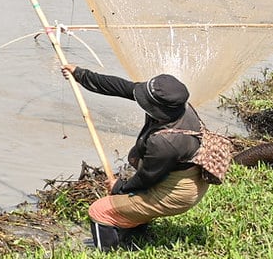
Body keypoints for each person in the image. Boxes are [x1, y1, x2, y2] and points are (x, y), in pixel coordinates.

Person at [61, 68, 216, 243]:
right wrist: (80, 75)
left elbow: (146, 179)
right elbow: (122, 87)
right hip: (180, 174)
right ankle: (134, 224)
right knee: (135, 159)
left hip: (179, 193)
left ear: (157, 108)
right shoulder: (180, 108)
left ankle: (107, 256)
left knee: (99, 210)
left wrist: (119, 187)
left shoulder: (166, 142)